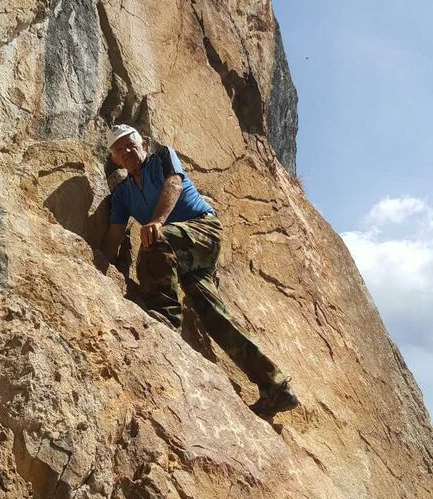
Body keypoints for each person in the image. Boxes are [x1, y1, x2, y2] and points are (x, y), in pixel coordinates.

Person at [101, 124, 299, 417]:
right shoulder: (122, 195)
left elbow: (174, 184)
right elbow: (113, 238)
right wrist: (96, 266)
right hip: (183, 257)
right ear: (116, 159)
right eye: (120, 150)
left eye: (131, 144)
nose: (127, 152)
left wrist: (157, 221)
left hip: (204, 231)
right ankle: (275, 387)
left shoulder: (162, 157)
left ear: (144, 143)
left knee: (155, 238)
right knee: (214, 316)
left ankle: (165, 317)